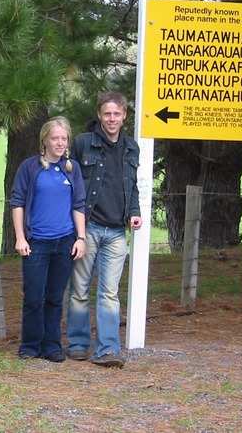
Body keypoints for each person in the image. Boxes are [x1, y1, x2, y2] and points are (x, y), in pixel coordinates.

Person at [66, 91, 142, 368]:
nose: (112, 119)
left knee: (110, 293)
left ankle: (108, 349)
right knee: (79, 289)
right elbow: (70, 185)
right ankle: (77, 344)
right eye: (107, 113)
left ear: (124, 117)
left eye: (117, 114)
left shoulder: (132, 148)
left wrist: (134, 212)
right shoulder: (83, 144)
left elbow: (132, 186)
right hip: (88, 228)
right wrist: (75, 229)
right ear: (99, 115)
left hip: (117, 232)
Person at [10, 116, 87, 362]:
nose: (60, 143)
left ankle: (52, 345)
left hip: (64, 242)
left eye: (64, 138)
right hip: (36, 243)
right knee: (34, 296)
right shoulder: (30, 168)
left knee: (55, 296)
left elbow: (79, 205)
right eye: (55, 138)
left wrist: (81, 238)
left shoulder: (72, 169)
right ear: (44, 140)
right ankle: (30, 345)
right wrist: (20, 237)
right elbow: (17, 202)